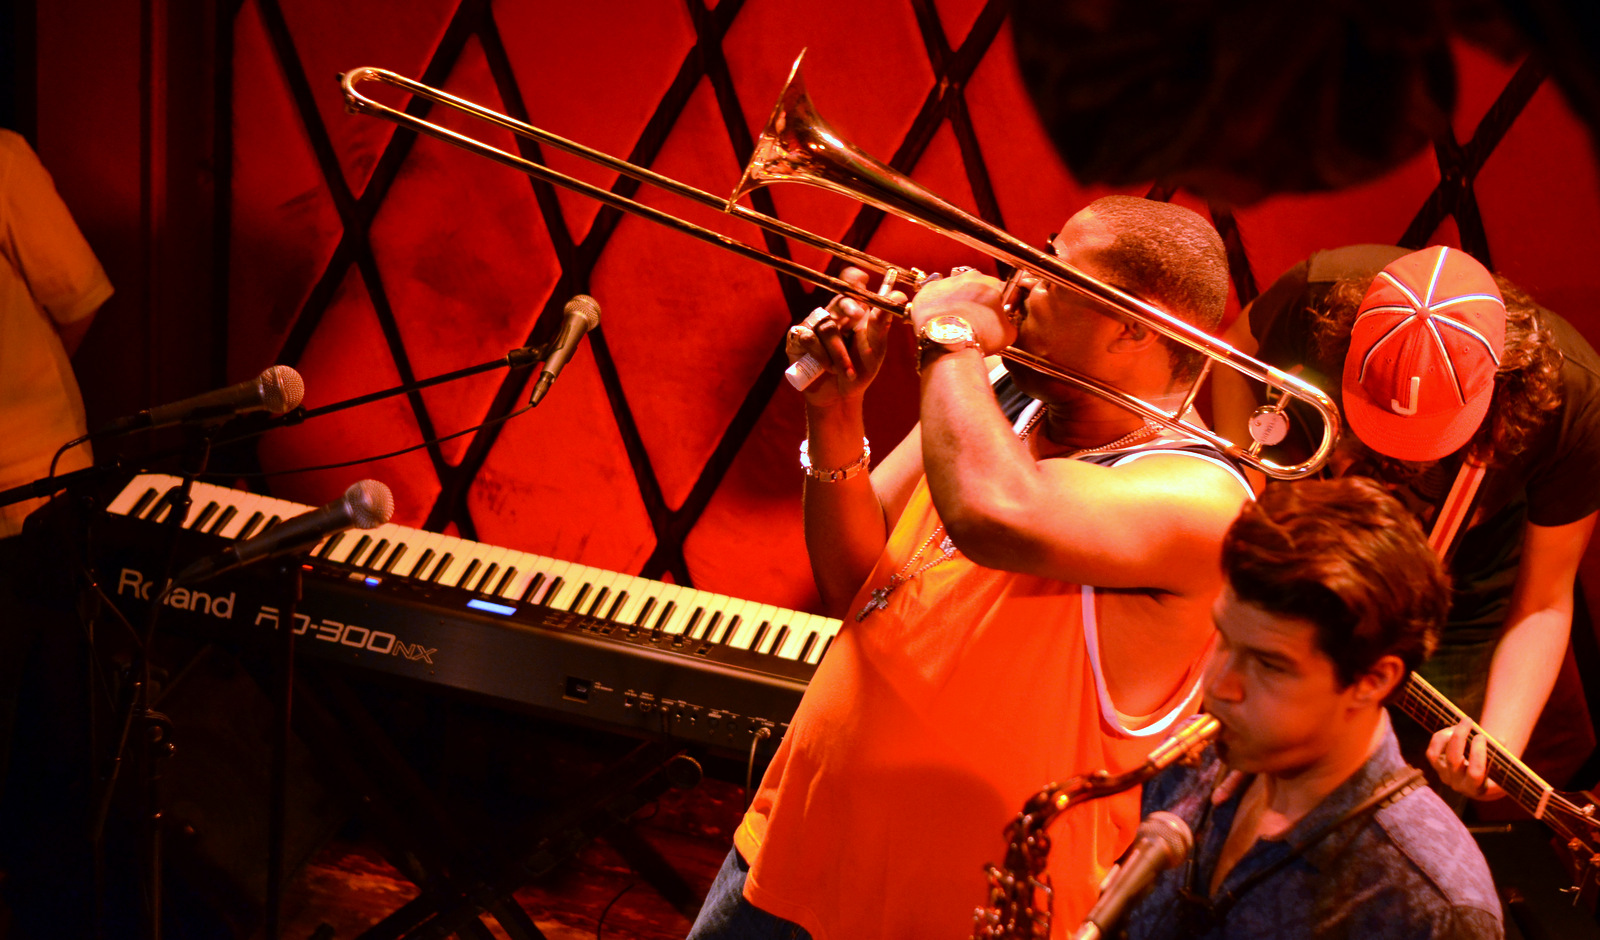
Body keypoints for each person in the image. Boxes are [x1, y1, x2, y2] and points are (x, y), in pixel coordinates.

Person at [687, 195, 1253, 940]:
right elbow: (856, 585)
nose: (1016, 280)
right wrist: (836, 414)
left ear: (1133, 327)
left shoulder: (1202, 496)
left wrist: (948, 335)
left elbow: (994, 513)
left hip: (954, 916)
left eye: (1053, 272)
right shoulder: (996, 396)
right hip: (790, 848)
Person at [1212, 244, 1600, 801]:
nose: (1399, 457)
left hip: (1459, 597)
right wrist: (1259, 497)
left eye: (1429, 436)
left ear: (1503, 382)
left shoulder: (1575, 397)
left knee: (1413, 801)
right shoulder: (1316, 293)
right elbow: (1232, 366)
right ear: (1347, 339)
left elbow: (1544, 599)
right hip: (1304, 540)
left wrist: (1502, 743)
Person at [1124, 477, 1502, 940]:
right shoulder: (1188, 760)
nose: (1219, 686)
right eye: (1223, 636)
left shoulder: (1430, 907)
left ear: (1373, 680)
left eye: (1269, 665)